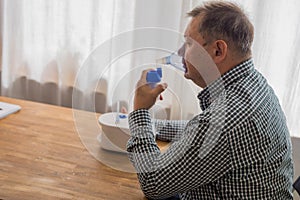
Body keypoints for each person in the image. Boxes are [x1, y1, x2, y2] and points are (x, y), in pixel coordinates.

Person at [126, 1, 294, 199]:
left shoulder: (227, 120)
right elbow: (200, 132)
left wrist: (140, 112)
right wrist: (153, 126)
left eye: (188, 44)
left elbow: (153, 183)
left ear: (218, 51)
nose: (180, 53)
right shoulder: (254, 83)